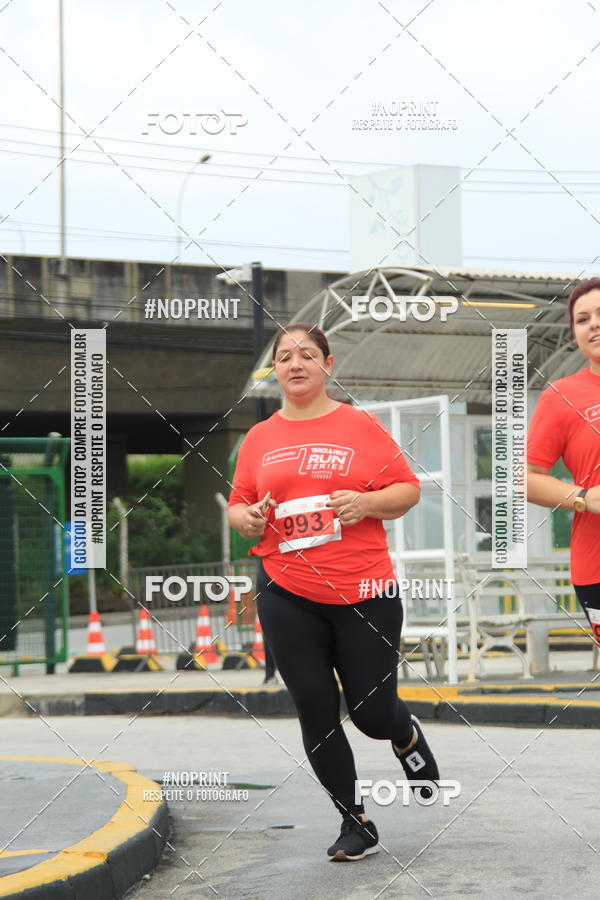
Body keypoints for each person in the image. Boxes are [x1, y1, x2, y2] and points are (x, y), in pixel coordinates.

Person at [228, 322, 440, 861]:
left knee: (370, 715)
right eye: (284, 357)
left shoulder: (359, 426)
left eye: (306, 354)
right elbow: (238, 504)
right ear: (274, 370)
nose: (295, 364)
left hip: (364, 589)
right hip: (285, 589)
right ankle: (356, 821)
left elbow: (408, 489)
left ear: (328, 363)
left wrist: (367, 504)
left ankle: (404, 733)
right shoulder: (259, 439)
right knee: (316, 710)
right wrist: (246, 519)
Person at [527, 277, 600, 649]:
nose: (594, 325)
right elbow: (525, 479)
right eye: (583, 319)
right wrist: (583, 496)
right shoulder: (562, 396)